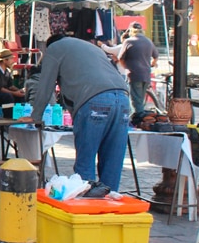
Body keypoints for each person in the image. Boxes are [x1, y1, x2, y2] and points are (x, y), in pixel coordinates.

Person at [25, 34, 130, 191]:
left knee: (85, 162)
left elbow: (45, 85)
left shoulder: (54, 49)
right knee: (112, 161)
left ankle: (86, 205)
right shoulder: (91, 47)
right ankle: (109, 205)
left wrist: (35, 116)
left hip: (94, 100)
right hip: (123, 99)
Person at [119, 22, 159, 115]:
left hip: (134, 74)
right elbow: (156, 56)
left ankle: (139, 119)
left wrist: (125, 67)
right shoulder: (148, 41)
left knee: (136, 100)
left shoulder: (129, 41)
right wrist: (152, 64)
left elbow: (121, 58)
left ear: (131, 31)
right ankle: (141, 117)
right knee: (140, 98)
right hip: (146, 74)